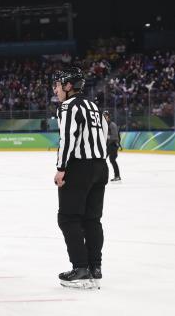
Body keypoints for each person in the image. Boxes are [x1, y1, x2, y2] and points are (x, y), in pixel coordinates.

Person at [52, 67, 108, 289]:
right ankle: (95, 267)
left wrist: (61, 168)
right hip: (100, 166)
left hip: (78, 167)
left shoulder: (68, 107)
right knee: (92, 219)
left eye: (58, 85)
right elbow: (102, 135)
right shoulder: (93, 106)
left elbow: (67, 138)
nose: (55, 89)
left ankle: (81, 268)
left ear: (68, 86)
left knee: (68, 218)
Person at [103, 111, 122, 182]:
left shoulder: (112, 125)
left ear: (108, 117)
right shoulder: (105, 124)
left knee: (112, 160)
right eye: (103, 116)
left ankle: (117, 176)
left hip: (113, 145)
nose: (104, 117)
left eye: (106, 116)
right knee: (103, 160)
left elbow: (115, 137)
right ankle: (104, 175)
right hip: (108, 146)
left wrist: (106, 136)